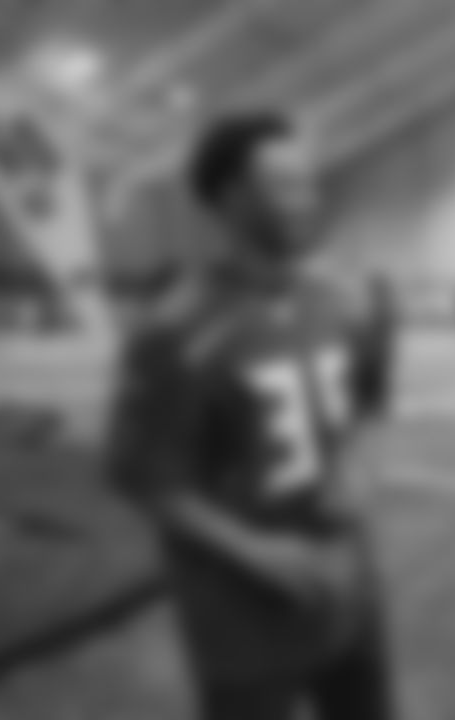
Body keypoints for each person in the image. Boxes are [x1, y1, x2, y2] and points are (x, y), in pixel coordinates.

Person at [106, 111, 396, 720]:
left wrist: (360, 460)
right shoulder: (174, 329)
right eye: (285, 184)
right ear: (229, 196)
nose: (308, 201)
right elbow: (142, 475)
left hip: (349, 594)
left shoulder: (340, 299)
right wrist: (260, 553)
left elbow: (371, 399)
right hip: (243, 623)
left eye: (309, 182)